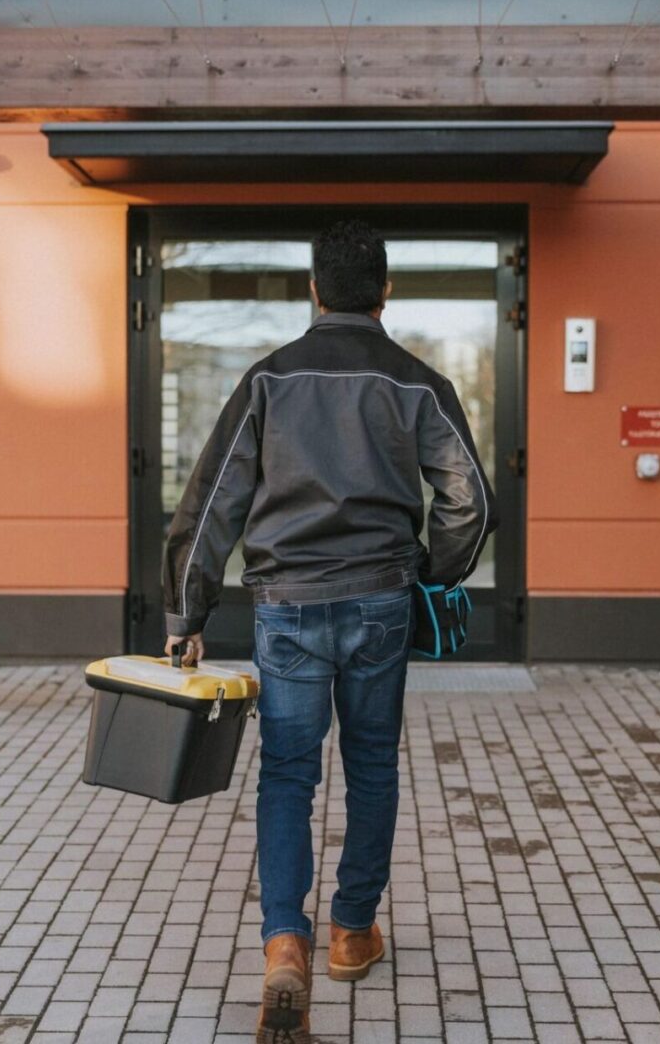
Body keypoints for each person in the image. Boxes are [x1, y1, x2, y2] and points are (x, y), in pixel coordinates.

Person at [162, 218, 496, 1043]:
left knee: (286, 775)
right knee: (371, 765)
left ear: (313, 290)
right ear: (385, 291)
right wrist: (434, 573)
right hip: (381, 600)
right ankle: (352, 932)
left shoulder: (267, 380)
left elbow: (211, 504)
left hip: (286, 607)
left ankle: (285, 945)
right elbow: (471, 501)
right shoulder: (417, 382)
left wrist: (186, 613)